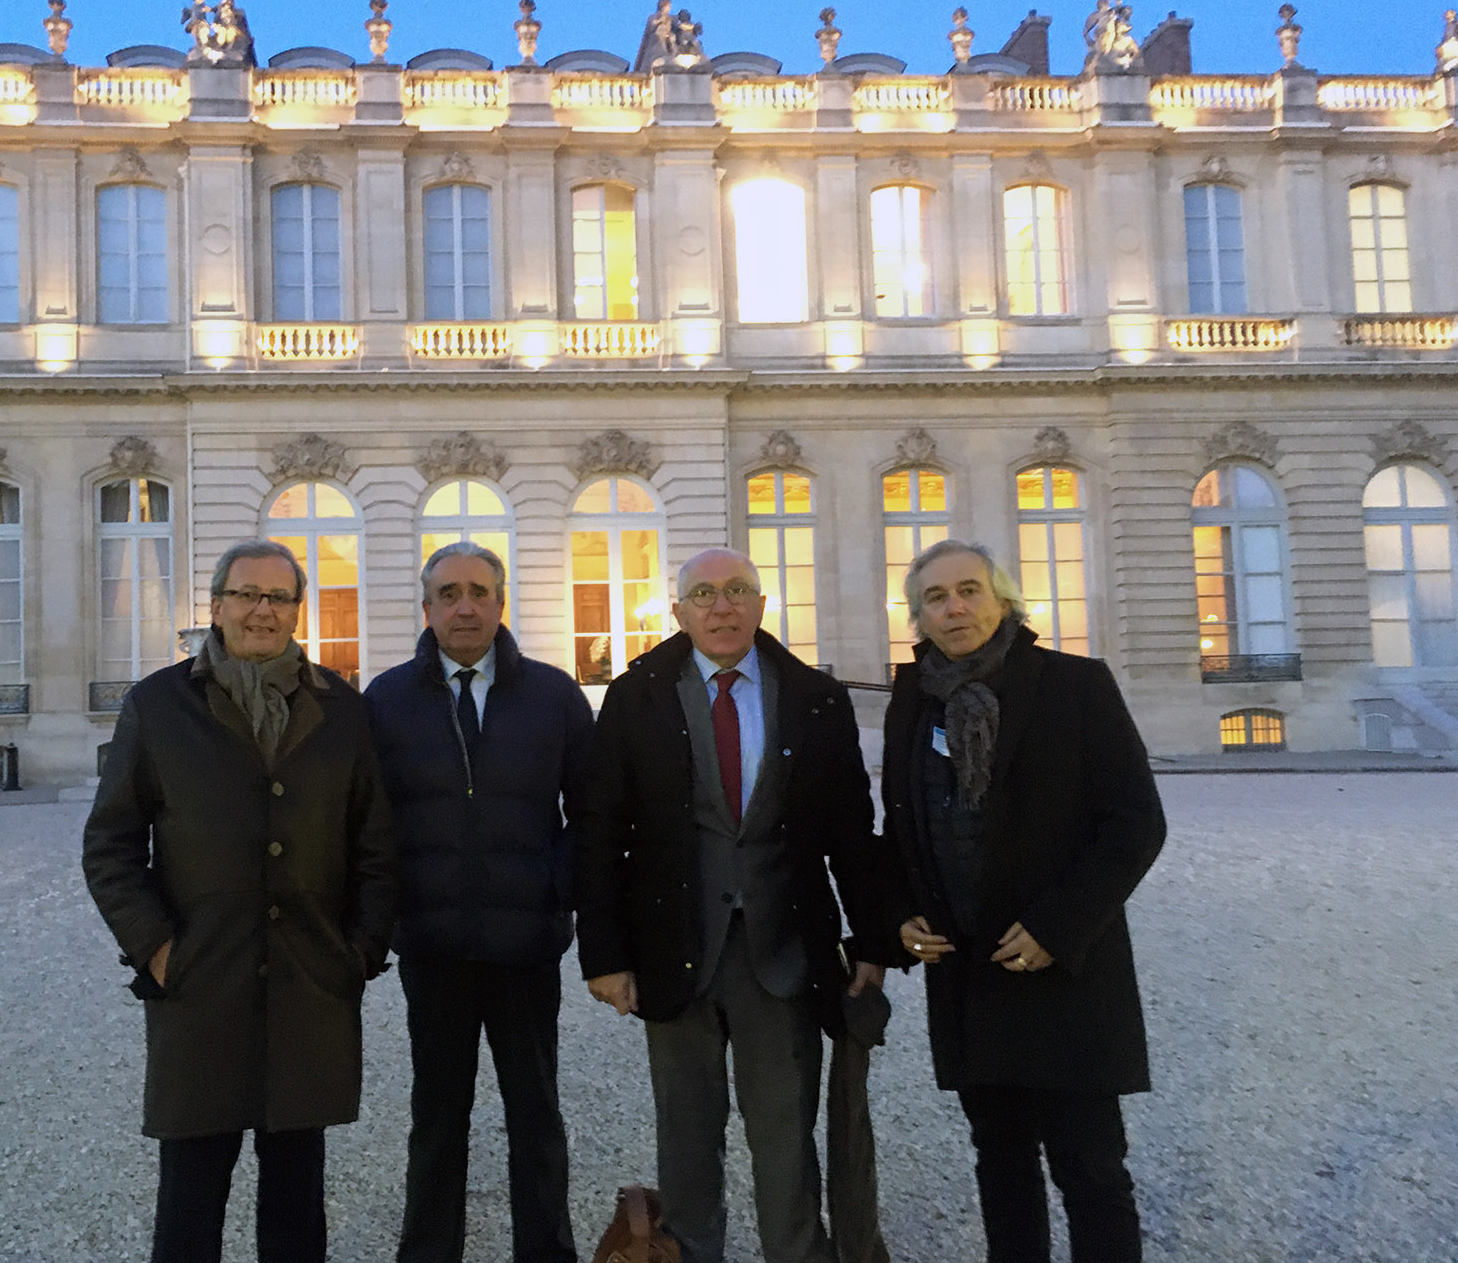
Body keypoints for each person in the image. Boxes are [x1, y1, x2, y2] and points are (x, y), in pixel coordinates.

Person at [573, 547, 895, 1263]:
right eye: (704, 594)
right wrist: (604, 954)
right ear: (679, 610)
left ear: (760, 604)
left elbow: (851, 828)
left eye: (738, 590)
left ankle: (796, 1253)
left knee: (786, 1136)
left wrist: (872, 941)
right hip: (673, 948)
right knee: (686, 1134)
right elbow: (598, 831)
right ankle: (690, 1252)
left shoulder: (814, 697)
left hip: (781, 952)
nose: (722, 606)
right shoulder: (636, 696)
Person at [83, 538, 398, 1263]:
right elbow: (110, 845)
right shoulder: (159, 705)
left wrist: (357, 954)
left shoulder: (342, 709)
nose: (263, 610)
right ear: (217, 605)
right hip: (202, 979)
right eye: (247, 594)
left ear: (297, 610)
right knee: (190, 1198)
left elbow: (377, 847)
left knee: (296, 1200)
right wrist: (158, 950)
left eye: (278, 597)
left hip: (309, 982)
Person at [881, 539, 1166, 1263]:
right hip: (970, 969)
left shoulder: (1075, 684)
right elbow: (902, 824)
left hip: (1061, 966)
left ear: (1003, 599)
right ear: (919, 616)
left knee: (1090, 1167)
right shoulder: (914, 699)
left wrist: (1055, 926)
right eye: (936, 597)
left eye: (968, 590)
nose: (954, 608)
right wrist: (899, 912)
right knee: (1001, 1161)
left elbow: (1135, 822)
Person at [364, 541, 592, 1263]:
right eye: (449, 593)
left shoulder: (554, 695)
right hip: (432, 944)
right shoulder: (387, 700)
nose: (465, 607)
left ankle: (546, 1253)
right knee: (436, 1118)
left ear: (501, 602)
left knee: (536, 1115)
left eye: (479, 592)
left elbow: (592, 811)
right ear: (426, 607)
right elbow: (366, 821)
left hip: (526, 944)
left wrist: (556, 887)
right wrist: (389, 913)